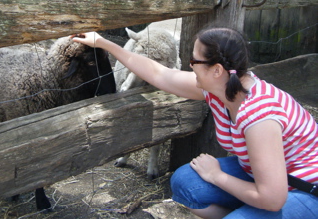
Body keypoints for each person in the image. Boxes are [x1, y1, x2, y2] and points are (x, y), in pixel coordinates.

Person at [71, 27, 318, 219]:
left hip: (305, 189)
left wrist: (217, 176)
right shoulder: (220, 89)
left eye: (195, 61)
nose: (189, 65)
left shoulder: (258, 116)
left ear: (217, 70)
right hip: (267, 176)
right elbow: (159, 74)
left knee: (226, 188)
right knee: (185, 183)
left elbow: (273, 198)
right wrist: (103, 43)